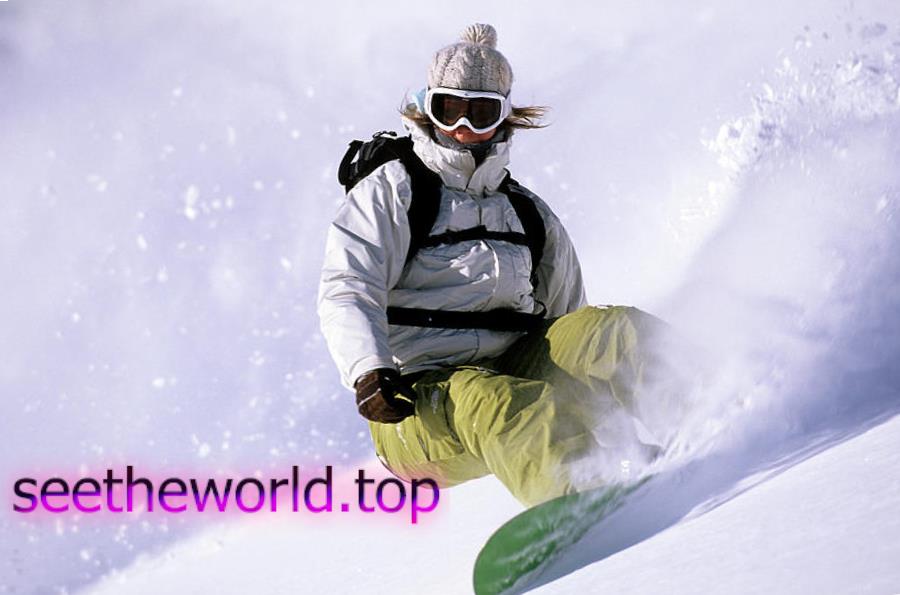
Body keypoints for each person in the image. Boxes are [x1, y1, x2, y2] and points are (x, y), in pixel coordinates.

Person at [319, 23, 671, 507]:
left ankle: (707, 415)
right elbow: (347, 286)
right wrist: (368, 370)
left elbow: (569, 326)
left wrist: (609, 425)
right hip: (417, 401)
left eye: (481, 111)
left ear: (505, 116)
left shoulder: (527, 212)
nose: (463, 125)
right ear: (427, 109)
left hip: (514, 367)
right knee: (501, 403)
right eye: (449, 108)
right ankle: (581, 499)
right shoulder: (394, 191)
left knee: (612, 332)